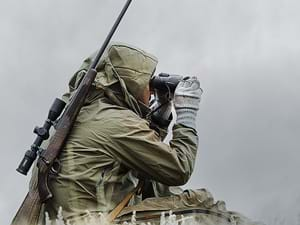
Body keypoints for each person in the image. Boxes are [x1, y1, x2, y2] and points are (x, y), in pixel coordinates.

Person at [37, 42, 202, 224]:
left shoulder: (84, 115)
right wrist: (187, 113)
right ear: (129, 83)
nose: (150, 88)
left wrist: (160, 116)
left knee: (156, 186)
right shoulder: (115, 122)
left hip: (73, 217)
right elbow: (178, 169)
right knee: (200, 204)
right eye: (146, 81)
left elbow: (144, 156)